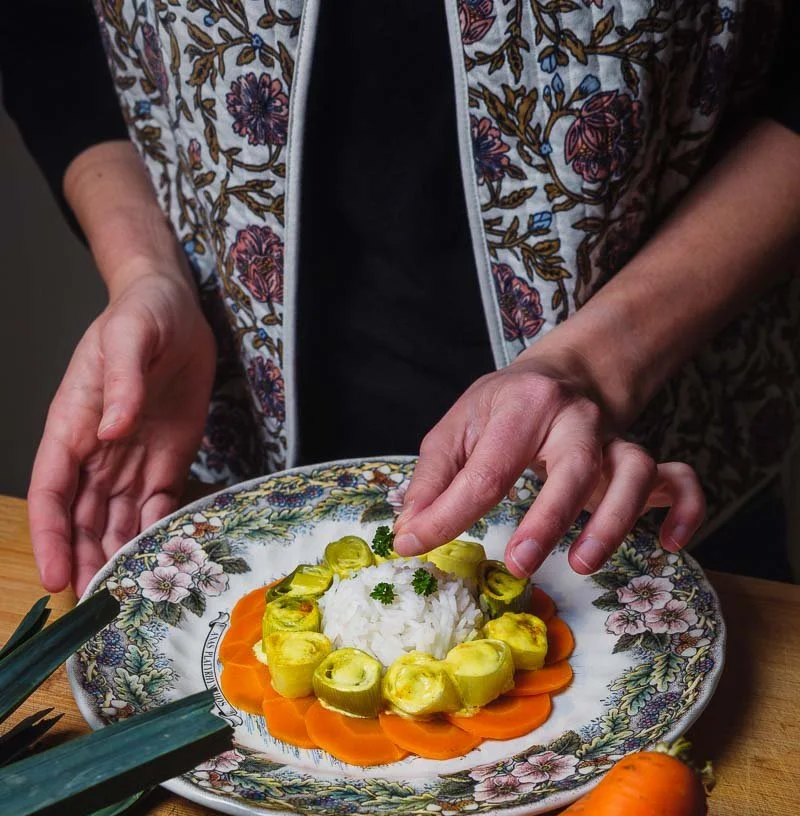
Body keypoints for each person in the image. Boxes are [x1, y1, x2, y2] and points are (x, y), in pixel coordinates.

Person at [1, 1, 799, 598]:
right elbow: (45, 30)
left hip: (645, 468)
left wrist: (597, 362)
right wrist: (148, 270)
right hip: (231, 451)